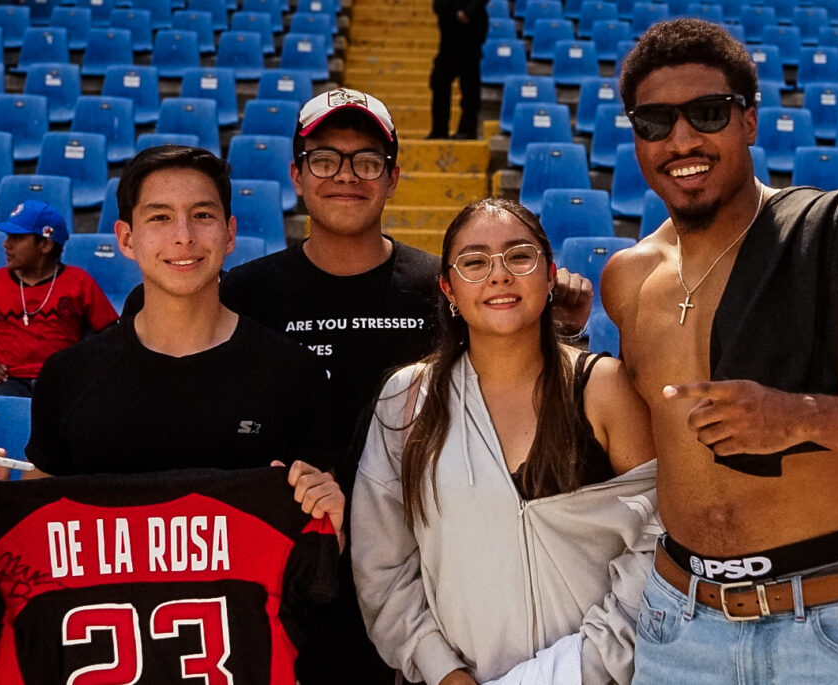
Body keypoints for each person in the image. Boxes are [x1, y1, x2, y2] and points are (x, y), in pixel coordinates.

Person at [601, 18, 838, 683]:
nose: (682, 140)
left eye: (708, 113)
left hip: (829, 625)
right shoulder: (626, 279)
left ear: (749, 121)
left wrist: (803, 416)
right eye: (655, 122)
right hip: (677, 624)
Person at [220, 88, 594, 685]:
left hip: (419, 586)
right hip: (281, 572)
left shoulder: (443, 288)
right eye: (324, 159)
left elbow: (511, 384)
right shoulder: (242, 296)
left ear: (393, 178)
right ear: (296, 176)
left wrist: (557, 329)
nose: (346, 175)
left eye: (367, 161)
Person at [0, 145, 344, 542]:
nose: (183, 236)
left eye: (203, 215)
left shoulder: (293, 374)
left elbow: (324, 545)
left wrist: (333, 522)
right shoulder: (67, 377)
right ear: (127, 238)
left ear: (230, 233)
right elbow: (38, 530)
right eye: (160, 217)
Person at [352, 198, 659, 685]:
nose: (499, 275)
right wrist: (444, 672)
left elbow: (657, 545)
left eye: (519, 256)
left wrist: (575, 670)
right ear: (449, 289)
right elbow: (381, 568)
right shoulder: (406, 400)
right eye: (474, 262)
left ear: (550, 275)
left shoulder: (604, 389)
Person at [0, 200, 118, 397]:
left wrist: (86, 366)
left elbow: (110, 331)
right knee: (2, 408)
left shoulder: (79, 281)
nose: (6, 244)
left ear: (46, 244)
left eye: (17, 237)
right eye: (8, 236)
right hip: (8, 379)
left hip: (61, 378)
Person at [426, 0, 488, 139]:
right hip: (448, 33)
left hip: (470, 32)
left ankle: (467, 130)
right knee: (439, 81)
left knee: (469, 86)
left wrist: (468, 12)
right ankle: (439, 130)